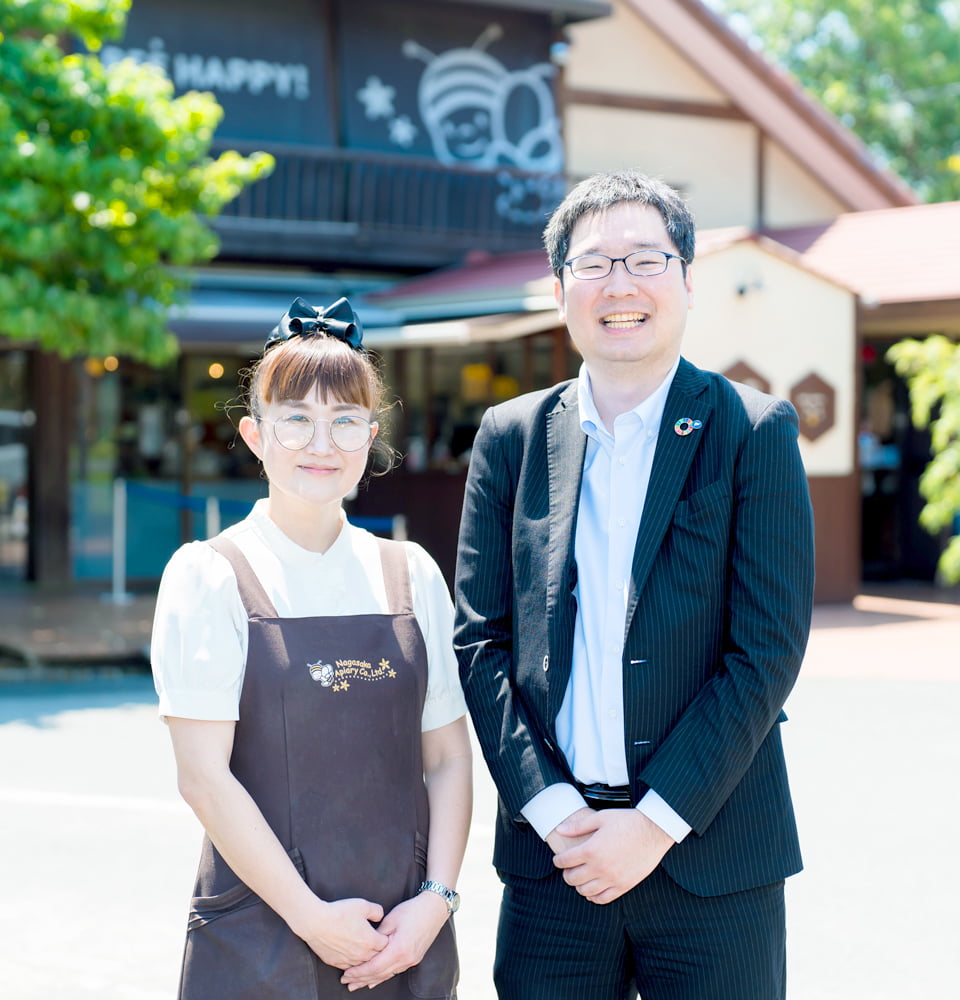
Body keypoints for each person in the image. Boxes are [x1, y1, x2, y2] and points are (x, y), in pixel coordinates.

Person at [454, 171, 815, 999]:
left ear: (688, 281)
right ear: (559, 290)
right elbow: (481, 642)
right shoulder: (509, 437)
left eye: (646, 259)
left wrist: (653, 824)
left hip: (712, 855)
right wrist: (551, 813)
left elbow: (766, 652)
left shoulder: (752, 431)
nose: (620, 284)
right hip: (558, 860)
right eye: (595, 263)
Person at [151, 297, 472, 999]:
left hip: (401, 936)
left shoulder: (411, 571)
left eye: (344, 421)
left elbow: (448, 758)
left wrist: (436, 902)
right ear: (255, 434)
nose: (321, 444)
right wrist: (312, 919)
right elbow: (204, 777)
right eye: (296, 419)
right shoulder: (210, 575)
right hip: (259, 938)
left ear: (371, 436)